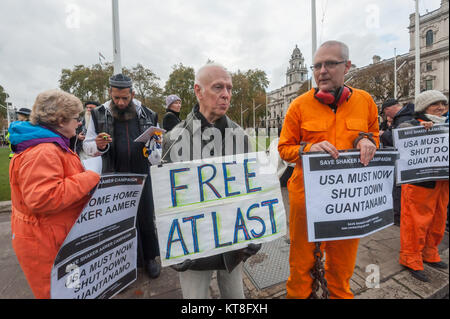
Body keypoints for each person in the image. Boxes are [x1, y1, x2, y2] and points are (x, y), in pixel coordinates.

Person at [278, 40, 379, 299]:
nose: (322, 71)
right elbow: (283, 148)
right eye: (317, 65)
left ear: (347, 66)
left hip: (348, 203)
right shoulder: (298, 105)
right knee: (300, 266)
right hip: (306, 202)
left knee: (342, 267)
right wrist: (306, 148)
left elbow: (375, 138)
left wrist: (364, 139)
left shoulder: (366, 101)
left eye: (330, 64)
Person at [162, 63, 261, 299]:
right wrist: (172, 247)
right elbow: (164, 199)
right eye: (218, 87)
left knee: (236, 296)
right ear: (199, 91)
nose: (226, 94)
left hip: (234, 242)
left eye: (229, 88)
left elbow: (252, 188)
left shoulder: (240, 136)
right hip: (194, 247)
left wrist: (258, 230)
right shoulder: (173, 140)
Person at [8, 89, 100, 298]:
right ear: (60, 121)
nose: (78, 123)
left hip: (50, 236)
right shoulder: (44, 150)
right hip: (45, 242)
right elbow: (43, 198)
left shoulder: (47, 145)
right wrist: (90, 177)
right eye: (75, 119)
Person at [83, 74, 161, 279]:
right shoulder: (99, 114)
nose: (120, 102)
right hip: (114, 174)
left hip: (142, 173)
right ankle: (125, 262)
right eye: (116, 97)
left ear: (132, 94)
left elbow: (157, 152)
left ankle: (150, 257)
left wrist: (155, 149)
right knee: (120, 219)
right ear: (110, 92)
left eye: (124, 98)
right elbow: (87, 146)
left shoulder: (148, 113)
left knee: (145, 215)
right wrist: (97, 145)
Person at [398, 90, 449, 282]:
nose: (441, 108)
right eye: (435, 104)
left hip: (442, 183)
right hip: (419, 183)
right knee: (415, 222)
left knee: (438, 219)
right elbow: (400, 135)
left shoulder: (445, 125)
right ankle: (410, 257)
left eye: (443, 104)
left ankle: (430, 252)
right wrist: (420, 131)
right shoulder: (410, 124)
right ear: (422, 107)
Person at [379, 98, 415, 225]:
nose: (386, 116)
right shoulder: (405, 117)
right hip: (406, 161)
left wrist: (383, 134)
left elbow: (398, 140)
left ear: (387, 110)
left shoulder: (403, 120)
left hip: (402, 161)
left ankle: (398, 216)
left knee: (398, 188)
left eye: (385, 113)